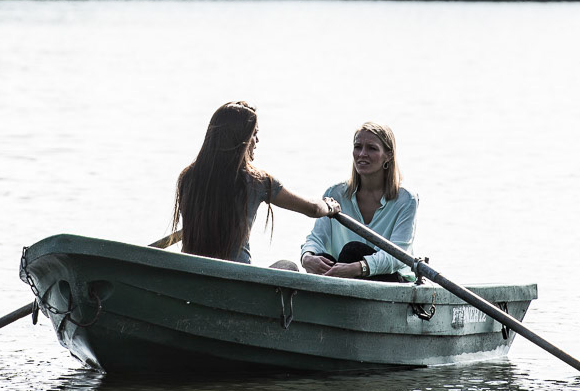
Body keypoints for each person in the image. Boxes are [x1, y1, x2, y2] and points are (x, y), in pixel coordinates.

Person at [172, 101, 339, 264]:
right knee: (289, 266)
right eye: (254, 134)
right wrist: (329, 206)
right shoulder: (257, 181)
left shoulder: (187, 177)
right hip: (237, 278)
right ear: (241, 138)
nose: (257, 141)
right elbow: (313, 208)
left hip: (191, 271)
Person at [277, 122, 417, 281]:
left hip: (391, 281)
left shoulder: (406, 199)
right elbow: (316, 238)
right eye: (358, 147)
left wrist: (358, 267)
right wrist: (307, 257)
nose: (362, 154)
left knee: (352, 251)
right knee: (321, 257)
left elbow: (397, 256)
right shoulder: (335, 193)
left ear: (389, 155)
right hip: (344, 274)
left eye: (371, 148)